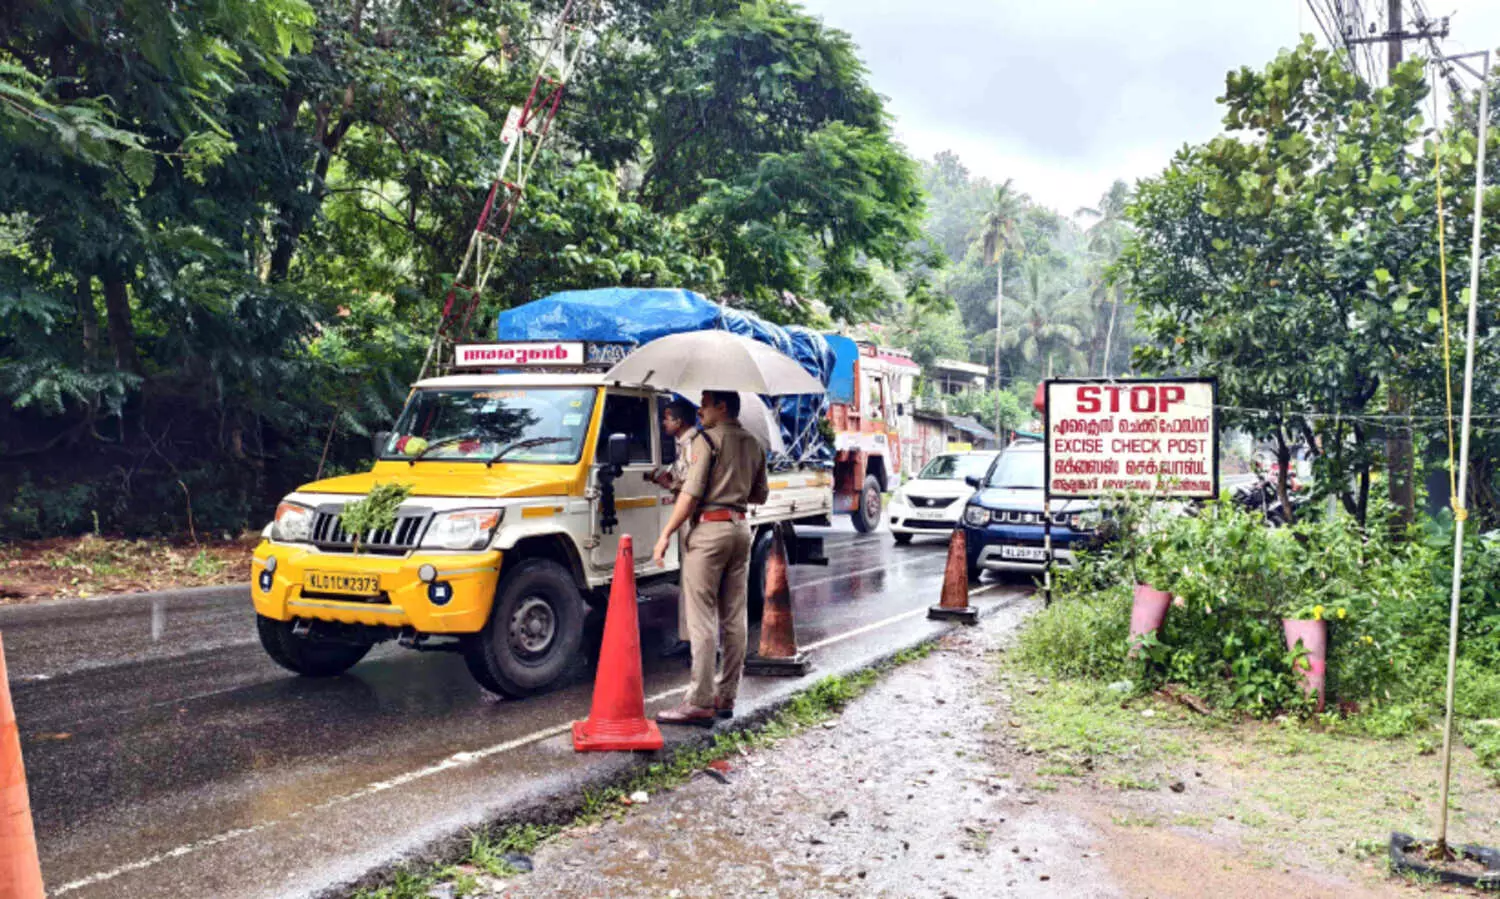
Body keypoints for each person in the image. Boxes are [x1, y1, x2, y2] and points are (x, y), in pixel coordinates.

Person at [653, 390, 769, 727]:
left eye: (705, 403)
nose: (699, 410)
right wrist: (733, 482)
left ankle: (699, 700)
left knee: (700, 616)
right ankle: (725, 696)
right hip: (740, 529)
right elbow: (760, 494)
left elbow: (691, 493)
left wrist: (665, 535)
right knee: (734, 616)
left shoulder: (706, 441)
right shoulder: (753, 442)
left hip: (709, 531)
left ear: (722, 406)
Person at [652, 398, 698, 657]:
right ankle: (687, 636)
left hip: (691, 517)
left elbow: (691, 485)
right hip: (687, 516)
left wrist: (671, 484)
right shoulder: (681, 445)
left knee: (695, 580)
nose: (663, 423)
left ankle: (699, 642)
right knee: (687, 579)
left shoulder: (693, 444)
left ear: (679, 421)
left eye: (667, 418)